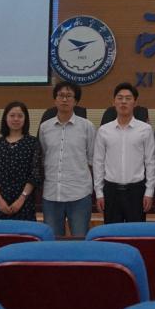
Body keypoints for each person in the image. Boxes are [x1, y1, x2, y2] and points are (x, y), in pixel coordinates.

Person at [38, 81, 97, 236]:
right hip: (51, 194)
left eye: (69, 96)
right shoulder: (45, 128)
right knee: (52, 241)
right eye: (61, 95)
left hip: (79, 194)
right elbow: (43, 157)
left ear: (76, 101)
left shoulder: (87, 127)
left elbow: (92, 160)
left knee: (80, 239)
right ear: (55, 99)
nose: (64, 99)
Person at [94, 82, 155, 223]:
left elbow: (150, 162)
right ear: (114, 102)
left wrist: (149, 192)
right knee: (112, 233)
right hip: (111, 191)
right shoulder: (104, 130)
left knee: (136, 233)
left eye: (128, 98)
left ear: (135, 103)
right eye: (120, 98)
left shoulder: (145, 129)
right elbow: (98, 163)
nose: (123, 102)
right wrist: (99, 193)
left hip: (136, 191)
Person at [0, 101, 42, 221]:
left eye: (20, 116)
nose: (16, 119)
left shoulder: (33, 143)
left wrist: (21, 199)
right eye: (12, 115)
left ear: (25, 119)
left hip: (24, 204)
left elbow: (35, 175)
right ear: (5, 118)